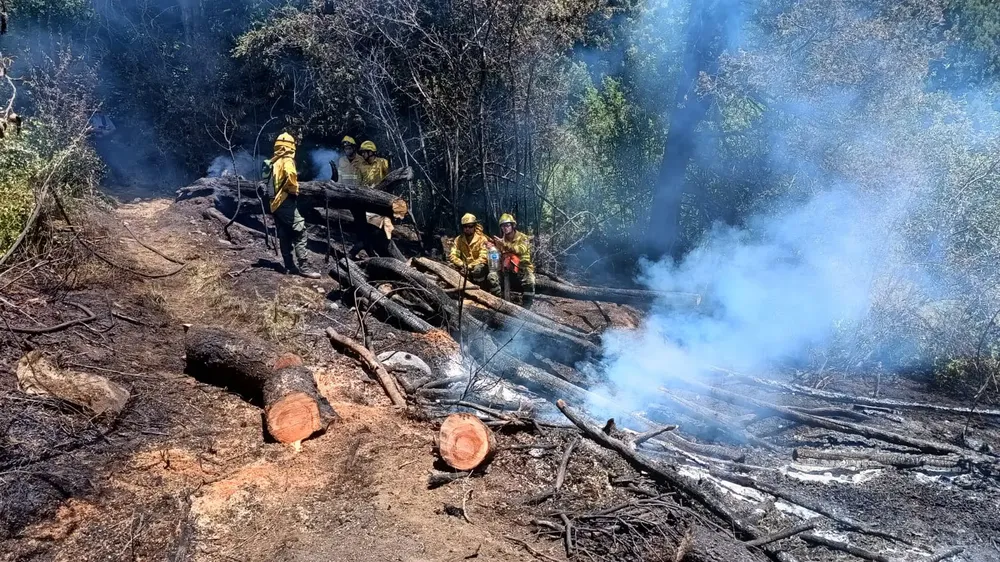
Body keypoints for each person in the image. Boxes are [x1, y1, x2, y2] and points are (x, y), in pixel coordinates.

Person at [269, 132, 321, 279]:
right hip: (285, 200)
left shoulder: (273, 161)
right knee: (300, 230)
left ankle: (289, 266)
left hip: (274, 203)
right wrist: (294, 190)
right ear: (291, 147)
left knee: (284, 232)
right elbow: (291, 174)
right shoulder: (286, 160)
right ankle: (304, 267)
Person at [490, 213, 535, 308]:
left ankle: (527, 307)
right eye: (503, 226)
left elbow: (520, 249)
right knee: (492, 277)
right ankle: (498, 303)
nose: (505, 228)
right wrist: (491, 248)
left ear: (513, 225)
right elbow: (497, 255)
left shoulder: (523, 238)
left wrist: (504, 245)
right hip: (506, 269)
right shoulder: (501, 240)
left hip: (522, 267)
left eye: (507, 225)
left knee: (530, 281)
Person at [450, 213, 500, 295]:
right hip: (464, 267)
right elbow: (453, 255)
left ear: (475, 226)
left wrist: (469, 266)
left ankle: (481, 291)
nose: (467, 229)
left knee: (478, 270)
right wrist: (461, 264)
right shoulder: (458, 240)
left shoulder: (482, 239)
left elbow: (483, 258)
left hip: (478, 268)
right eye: (465, 226)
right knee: (451, 267)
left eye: (470, 226)